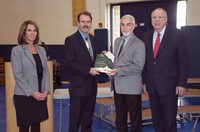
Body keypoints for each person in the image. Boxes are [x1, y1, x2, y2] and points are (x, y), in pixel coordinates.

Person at [142, 8, 188, 132]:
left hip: (170, 86)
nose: (157, 20)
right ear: (151, 20)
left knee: (170, 121)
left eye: (160, 17)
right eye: (154, 17)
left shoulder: (177, 35)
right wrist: (145, 81)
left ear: (166, 19)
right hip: (152, 86)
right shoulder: (146, 36)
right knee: (157, 121)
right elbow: (146, 61)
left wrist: (181, 83)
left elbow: (183, 61)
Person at [11, 20, 50, 132]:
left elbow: (46, 71)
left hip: (40, 94)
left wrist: (46, 90)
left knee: (36, 127)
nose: (32, 33)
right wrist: (33, 92)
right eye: (29, 30)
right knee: (24, 127)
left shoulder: (41, 50)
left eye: (34, 30)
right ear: (24, 33)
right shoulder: (17, 50)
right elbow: (18, 75)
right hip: (25, 95)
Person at [63, 11, 100, 132]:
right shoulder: (70, 40)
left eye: (88, 22)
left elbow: (93, 60)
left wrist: (103, 62)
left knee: (88, 121)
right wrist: (88, 70)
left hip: (92, 87)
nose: (85, 24)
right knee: (75, 122)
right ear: (78, 23)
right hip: (78, 88)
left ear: (91, 23)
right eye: (83, 21)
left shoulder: (93, 40)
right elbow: (69, 64)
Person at [108, 14, 145, 132]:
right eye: (122, 25)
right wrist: (107, 59)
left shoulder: (139, 44)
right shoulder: (117, 41)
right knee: (120, 119)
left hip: (131, 88)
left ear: (134, 26)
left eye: (128, 24)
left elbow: (138, 67)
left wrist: (119, 70)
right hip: (118, 87)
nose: (125, 28)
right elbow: (117, 60)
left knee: (135, 120)